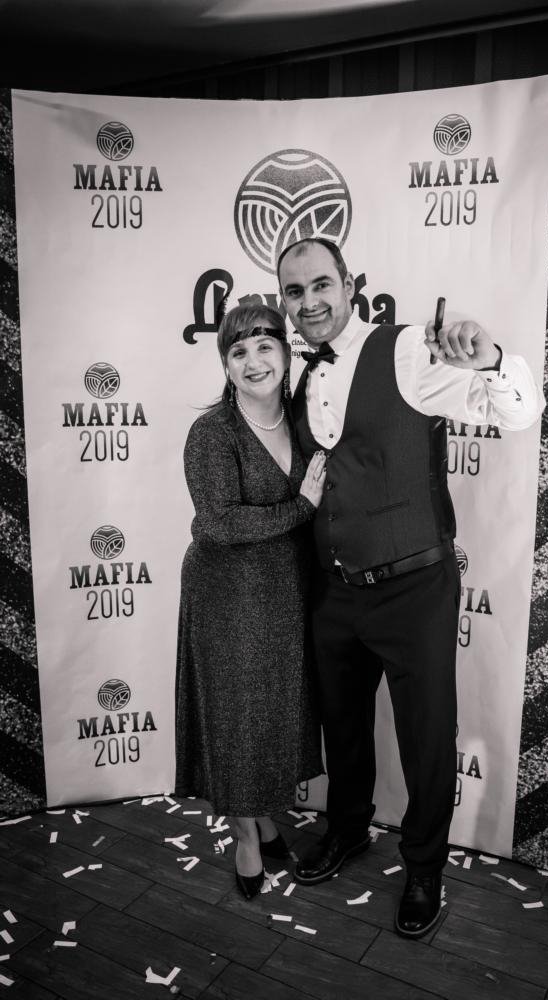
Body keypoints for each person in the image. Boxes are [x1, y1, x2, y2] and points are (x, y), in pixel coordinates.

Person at [276, 236, 545, 938]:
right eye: (295, 291)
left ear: (349, 285)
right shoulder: (296, 373)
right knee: (343, 725)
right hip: (334, 589)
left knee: (427, 738)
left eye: (321, 285)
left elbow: (516, 412)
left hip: (414, 587)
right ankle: (347, 827)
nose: (310, 302)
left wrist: (491, 359)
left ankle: (424, 866)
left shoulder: (404, 351)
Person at [174, 303, 326, 900]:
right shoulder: (213, 432)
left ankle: (262, 815)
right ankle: (244, 836)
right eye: (238, 351)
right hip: (227, 596)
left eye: (265, 346)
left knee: (273, 713)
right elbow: (219, 523)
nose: (253, 360)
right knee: (237, 718)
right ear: (226, 365)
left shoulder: (303, 418)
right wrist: (302, 507)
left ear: (286, 353)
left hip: (286, 593)